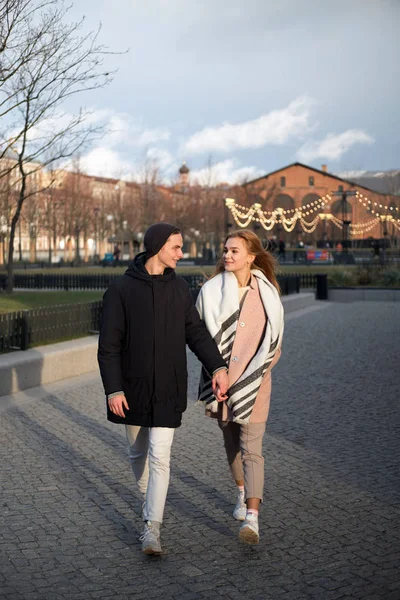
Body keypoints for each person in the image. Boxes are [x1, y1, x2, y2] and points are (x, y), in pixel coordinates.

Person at [98, 223, 229, 555]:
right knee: (137, 453)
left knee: (160, 456)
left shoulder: (180, 290)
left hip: (169, 387)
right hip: (132, 389)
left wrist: (218, 366)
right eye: (177, 247)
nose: (181, 254)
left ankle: (151, 528)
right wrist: (114, 390)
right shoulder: (121, 290)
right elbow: (109, 347)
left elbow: (196, 333)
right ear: (158, 247)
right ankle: (149, 503)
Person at [196, 230, 284, 545]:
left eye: (235, 251)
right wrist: (218, 373)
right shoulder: (210, 292)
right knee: (231, 440)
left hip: (257, 383)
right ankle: (241, 491)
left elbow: (275, 343)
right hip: (219, 381)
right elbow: (201, 338)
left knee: (252, 449)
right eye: (225, 250)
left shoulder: (268, 293)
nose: (227, 255)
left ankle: (252, 518)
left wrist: (253, 375)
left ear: (251, 257)